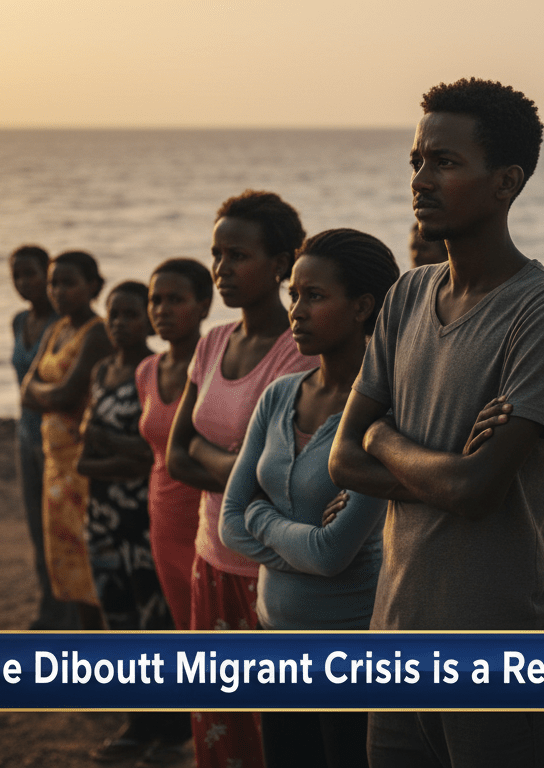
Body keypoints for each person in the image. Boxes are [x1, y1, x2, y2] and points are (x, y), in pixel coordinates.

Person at [329, 77, 544, 768]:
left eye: (445, 162)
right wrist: (430, 463)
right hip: (396, 630)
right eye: (417, 160)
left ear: (506, 181)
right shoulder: (406, 295)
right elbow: (343, 460)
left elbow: (478, 491)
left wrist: (386, 437)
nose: (421, 179)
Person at [220, 228, 400, 768]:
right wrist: (278, 526)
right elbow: (230, 523)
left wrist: (262, 515)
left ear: (362, 306)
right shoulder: (279, 394)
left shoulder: (381, 414)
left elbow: (334, 553)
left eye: (315, 296)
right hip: (274, 637)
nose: (295, 310)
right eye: (294, 294)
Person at [166, 190, 317, 768]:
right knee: (219, 723)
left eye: (237, 255)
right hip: (211, 558)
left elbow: (283, 477)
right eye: (216, 254)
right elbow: (176, 456)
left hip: (268, 570)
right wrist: (243, 466)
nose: (220, 269)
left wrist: (230, 462)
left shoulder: (299, 353)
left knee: (273, 732)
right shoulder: (211, 342)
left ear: (280, 264)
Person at [77, 280, 192, 766]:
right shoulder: (103, 370)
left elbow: (151, 454)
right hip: (102, 516)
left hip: (144, 513)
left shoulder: (158, 374)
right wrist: (110, 456)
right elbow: (87, 446)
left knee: (156, 621)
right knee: (118, 618)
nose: (119, 322)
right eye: (113, 314)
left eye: (130, 313)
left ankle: (171, 727)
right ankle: (138, 720)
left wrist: (111, 454)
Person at [21, 250, 113, 629]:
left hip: (82, 465)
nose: (58, 291)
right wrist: (48, 393)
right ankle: (85, 642)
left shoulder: (97, 332)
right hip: (55, 465)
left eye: (68, 283)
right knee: (65, 557)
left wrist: (47, 393)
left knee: (92, 559)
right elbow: (27, 388)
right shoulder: (59, 330)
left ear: (92, 286)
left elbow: (65, 395)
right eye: (53, 283)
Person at [137, 258, 212, 631]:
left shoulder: (217, 365)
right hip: (163, 518)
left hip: (207, 517)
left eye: (175, 300)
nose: (162, 310)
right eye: (155, 300)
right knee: (184, 624)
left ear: (204, 306)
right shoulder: (147, 370)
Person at [7, 244, 78, 630]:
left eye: (32, 274)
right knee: (37, 528)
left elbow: (60, 388)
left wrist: (38, 393)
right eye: (17, 275)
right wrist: (36, 393)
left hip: (58, 440)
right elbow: (28, 385)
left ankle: (68, 612)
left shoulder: (63, 325)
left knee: (62, 528)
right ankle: (49, 607)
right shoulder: (19, 322)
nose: (25, 283)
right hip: (25, 435)